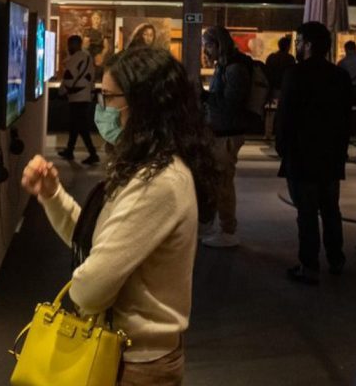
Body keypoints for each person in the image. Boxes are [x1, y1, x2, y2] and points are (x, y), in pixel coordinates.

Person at [21, 47, 218, 385]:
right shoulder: (147, 167)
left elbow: (90, 288)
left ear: (143, 105)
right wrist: (52, 195)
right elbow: (99, 242)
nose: (102, 108)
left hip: (134, 364)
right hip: (123, 354)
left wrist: (87, 279)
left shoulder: (159, 182)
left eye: (109, 98)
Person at [275, 22, 352, 284]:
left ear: (308, 44)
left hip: (302, 154)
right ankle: (336, 258)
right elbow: (346, 118)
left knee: (306, 213)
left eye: (298, 42)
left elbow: (285, 116)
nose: (296, 46)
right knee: (331, 210)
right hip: (330, 155)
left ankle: (309, 265)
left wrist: (282, 147)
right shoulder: (339, 76)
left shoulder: (295, 74)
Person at [199, 26, 253, 248]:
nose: (205, 51)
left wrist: (205, 96)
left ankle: (227, 230)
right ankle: (218, 225)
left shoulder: (234, 69)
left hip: (227, 135)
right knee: (218, 181)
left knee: (223, 183)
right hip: (221, 132)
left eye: (207, 46)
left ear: (218, 45)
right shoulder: (225, 67)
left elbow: (231, 104)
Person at [58, 35, 100, 165]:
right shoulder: (88, 57)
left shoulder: (74, 59)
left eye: (69, 45)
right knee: (76, 125)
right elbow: (91, 78)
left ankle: (93, 153)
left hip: (76, 97)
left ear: (72, 45)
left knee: (80, 126)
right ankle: (70, 150)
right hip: (85, 96)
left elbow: (68, 79)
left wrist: (61, 91)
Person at [264, 35, 297, 103]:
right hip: (285, 89)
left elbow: (267, 73)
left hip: (272, 89)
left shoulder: (271, 57)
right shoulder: (290, 58)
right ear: (288, 47)